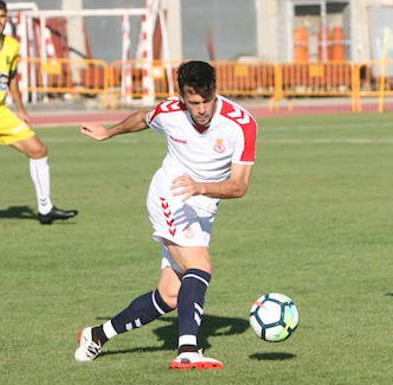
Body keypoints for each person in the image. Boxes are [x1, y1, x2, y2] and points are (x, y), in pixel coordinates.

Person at [74, 60, 258, 370]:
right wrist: (109, 132)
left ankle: (96, 335)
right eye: (193, 102)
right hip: (169, 197)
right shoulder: (170, 111)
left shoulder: (241, 124)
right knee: (200, 266)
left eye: (206, 100)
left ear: (215, 91)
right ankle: (189, 349)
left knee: (170, 295)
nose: (201, 109)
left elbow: (239, 187)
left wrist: (200, 187)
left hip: (202, 204)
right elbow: (142, 119)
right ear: (182, 96)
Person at [0, 0, 77, 224]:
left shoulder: (11, 46)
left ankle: (45, 209)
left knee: (38, 150)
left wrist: (21, 109)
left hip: (0, 113)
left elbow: (11, 79)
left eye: (1, 16)